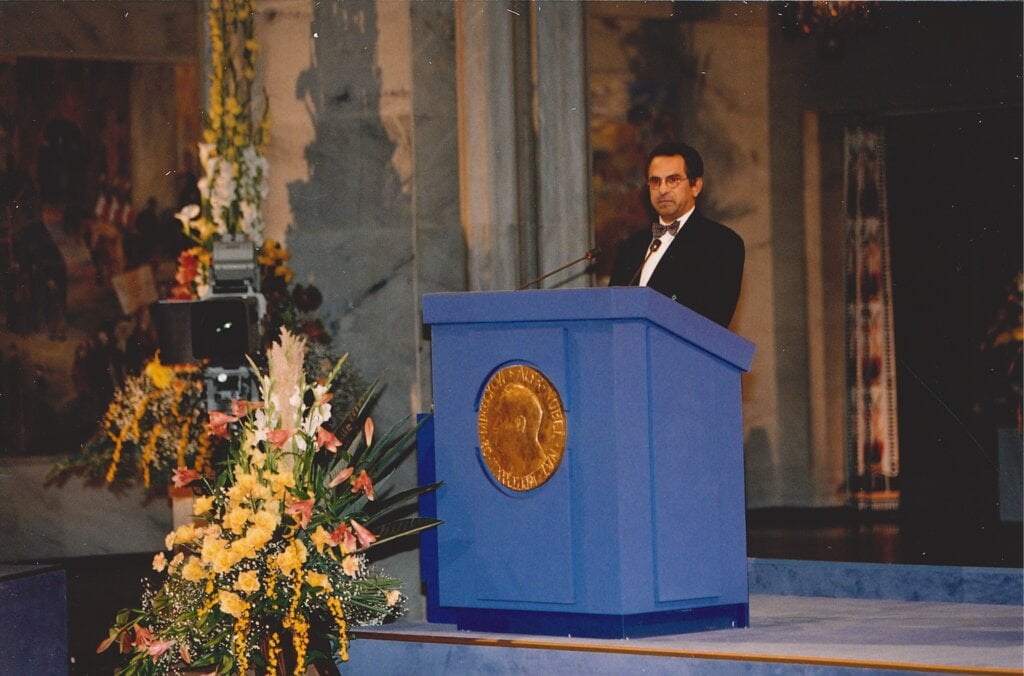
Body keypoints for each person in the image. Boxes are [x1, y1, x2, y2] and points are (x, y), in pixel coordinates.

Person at [609, 141, 744, 328]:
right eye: (655, 181)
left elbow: (712, 319)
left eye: (673, 180)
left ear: (696, 186)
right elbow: (612, 313)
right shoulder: (631, 246)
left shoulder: (722, 243)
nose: (663, 190)